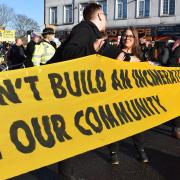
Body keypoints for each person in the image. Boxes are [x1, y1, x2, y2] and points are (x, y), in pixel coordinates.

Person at [116, 27, 149, 163]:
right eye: (125, 35)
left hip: (133, 96)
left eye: (130, 36)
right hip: (117, 96)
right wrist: (122, 60)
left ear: (134, 39)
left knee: (136, 126)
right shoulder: (116, 53)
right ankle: (113, 155)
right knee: (115, 126)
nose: (127, 38)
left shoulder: (139, 55)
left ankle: (141, 152)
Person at [48, 3, 121, 63]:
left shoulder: (92, 31)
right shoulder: (84, 28)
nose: (106, 19)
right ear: (100, 16)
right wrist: (92, 48)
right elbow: (67, 52)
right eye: (105, 15)